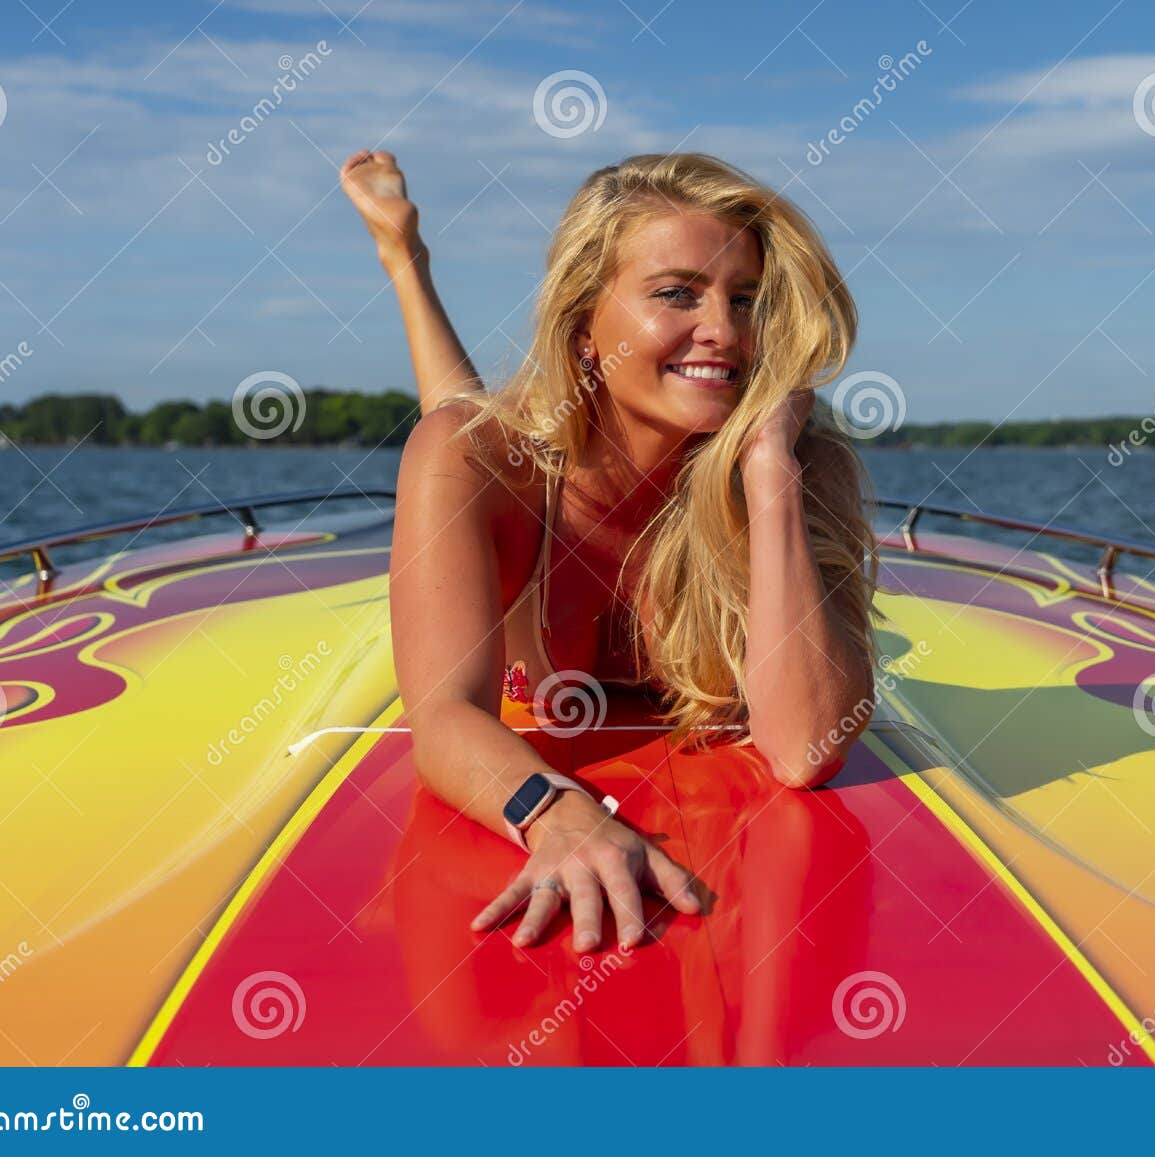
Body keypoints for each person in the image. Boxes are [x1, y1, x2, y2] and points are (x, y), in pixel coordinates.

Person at [341, 148, 880, 954]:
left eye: (747, 299)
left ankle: (409, 262)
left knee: (465, 430)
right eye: (676, 294)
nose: (726, 333)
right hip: (521, 465)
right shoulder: (486, 465)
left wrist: (769, 468)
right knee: (455, 429)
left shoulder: (802, 464)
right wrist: (553, 811)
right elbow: (444, 716)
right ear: (584, 322)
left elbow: (805, 751)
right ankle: (405, 259)